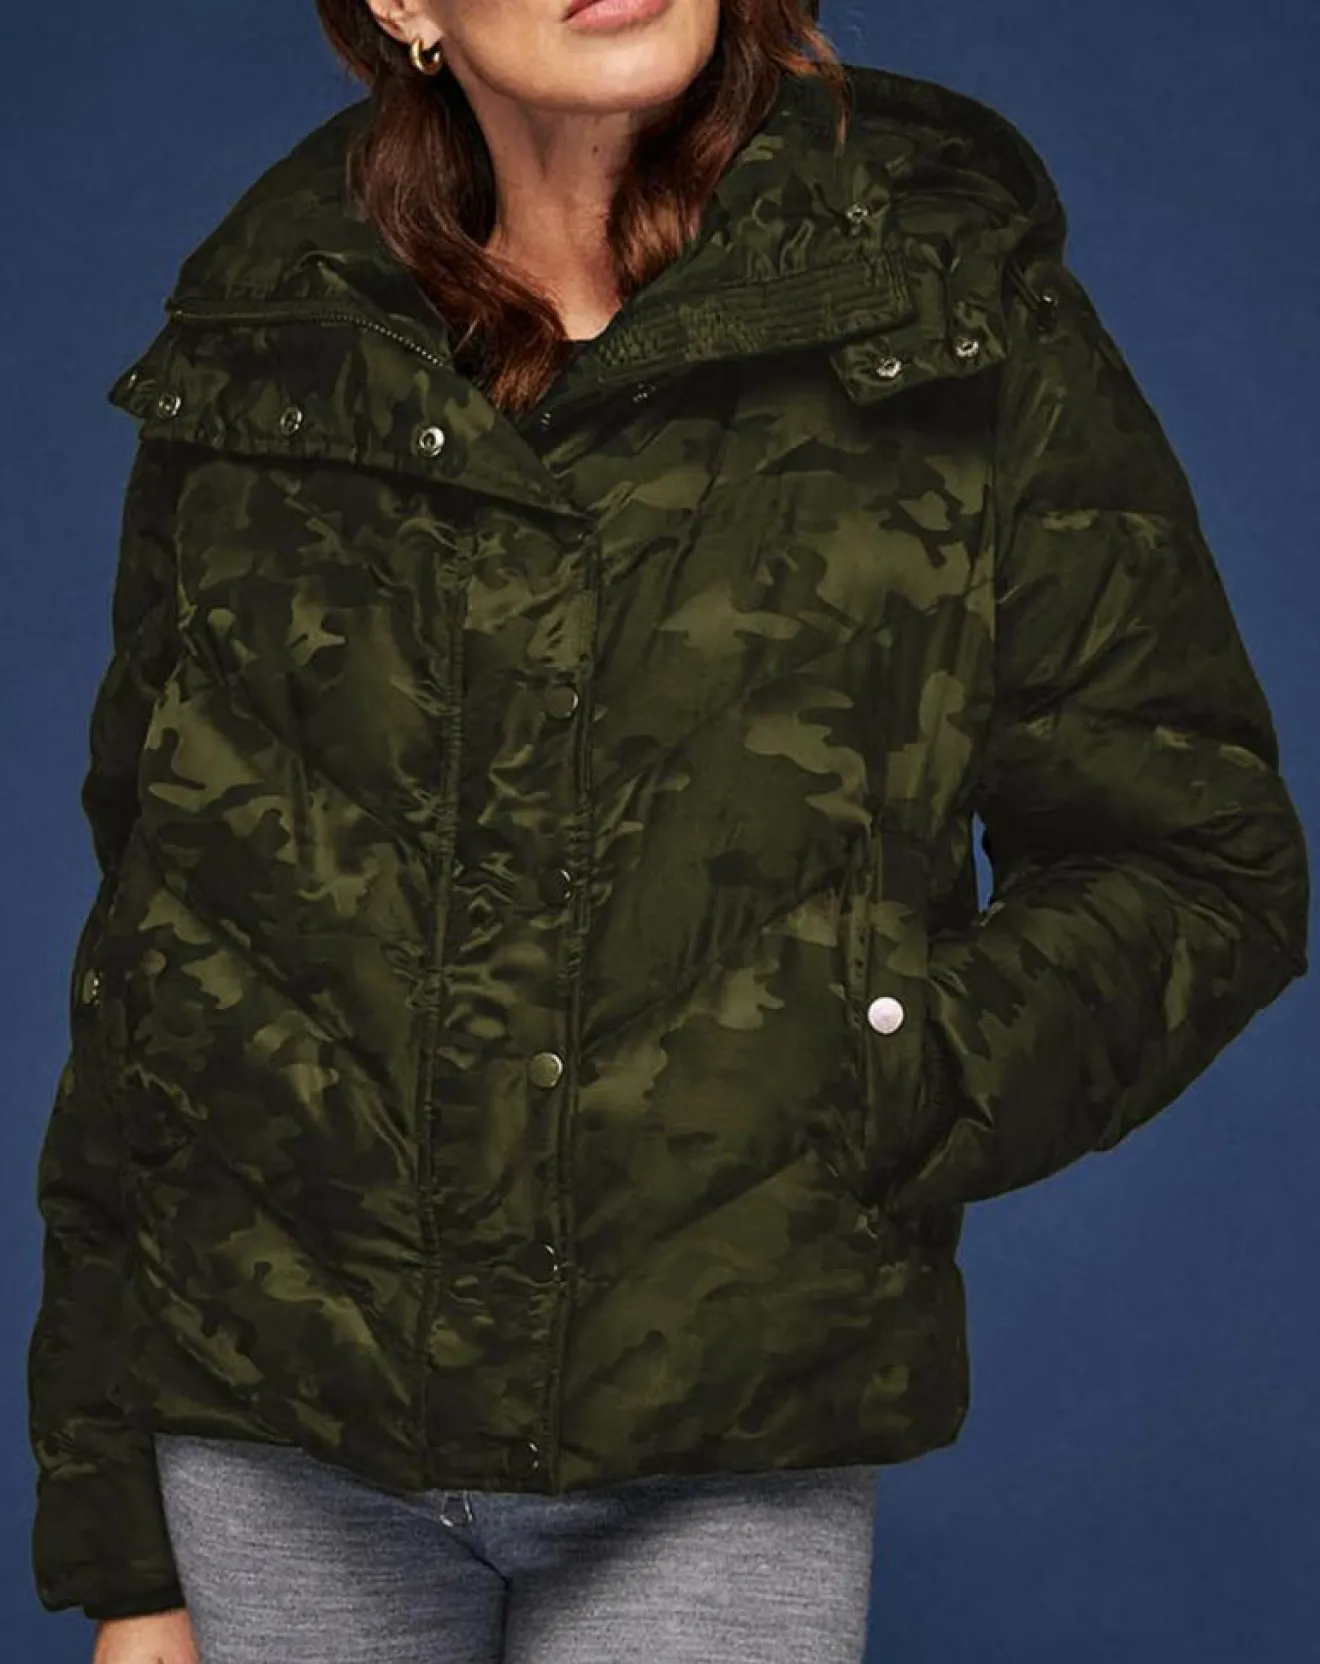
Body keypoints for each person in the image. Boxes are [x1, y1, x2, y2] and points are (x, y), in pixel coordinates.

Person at [27, 2, 1310, 1662]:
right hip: (271, 1429)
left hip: (721, 1431)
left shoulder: (938, 304)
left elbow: (1196, 856)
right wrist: (122, 1540)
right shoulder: (268, 344)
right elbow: (150, 954)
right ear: (402, 6)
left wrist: (870, 1076)